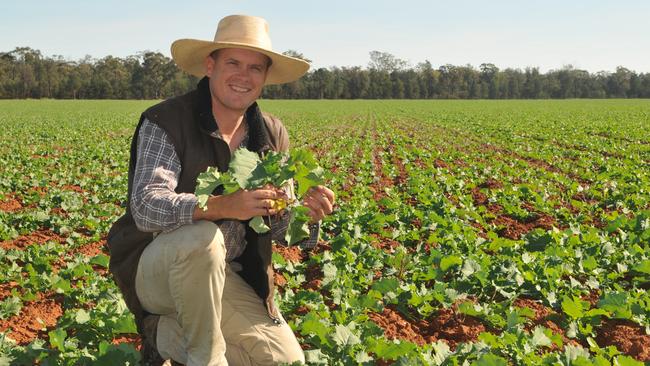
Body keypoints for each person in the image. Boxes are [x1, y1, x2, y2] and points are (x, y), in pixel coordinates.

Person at [107, 14, 335, 366]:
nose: (244, 76)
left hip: (223, 274)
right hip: (156, 270)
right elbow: (146, 207)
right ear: (210, 66)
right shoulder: (165, 120)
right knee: (203, 239)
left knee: (282, 360)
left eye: (255, 68)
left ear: (265, 78)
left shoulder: (271, 134)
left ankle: (164, 335)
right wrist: (222, 205)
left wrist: (304, 213)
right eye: (233, 63)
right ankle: (204, 357)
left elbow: (286, 233)